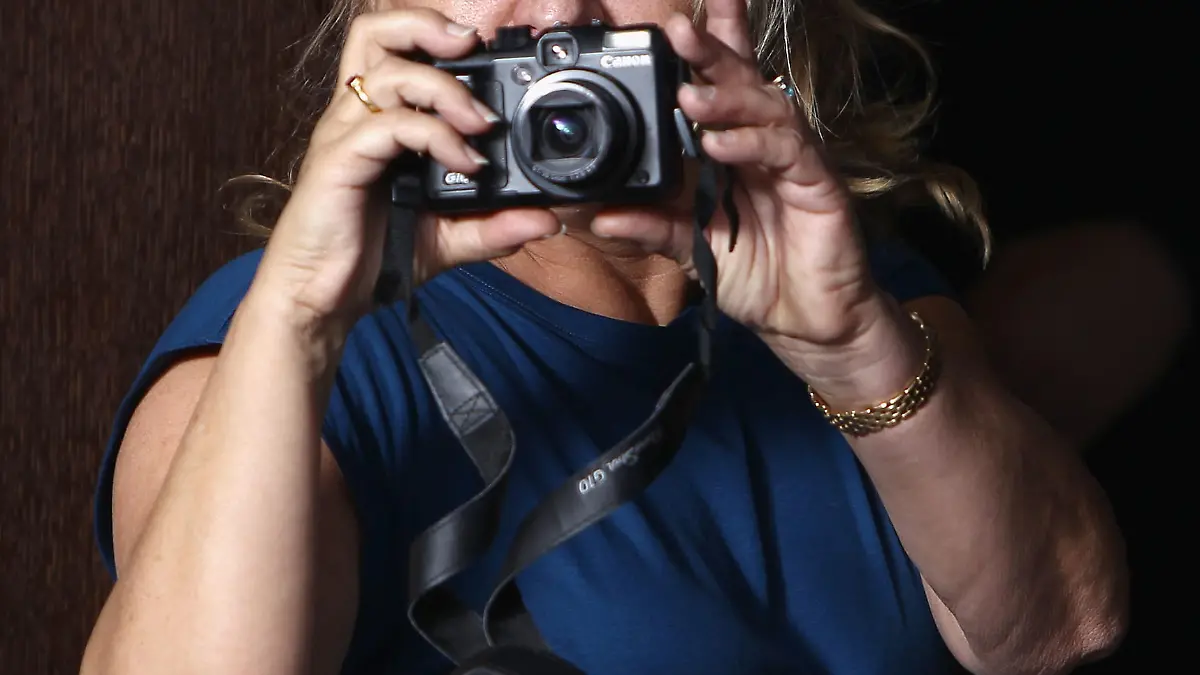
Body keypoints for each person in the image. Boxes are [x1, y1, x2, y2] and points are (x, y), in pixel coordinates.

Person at [80, 0, 1130, 673]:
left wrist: (854, 342)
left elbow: (1061, 630)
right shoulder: (284, 359)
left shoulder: (851, 291)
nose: (562, 19)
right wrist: (301, 314)